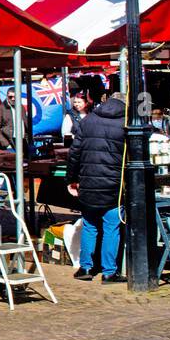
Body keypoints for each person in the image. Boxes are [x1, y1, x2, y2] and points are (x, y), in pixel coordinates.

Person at [68, 94, 126, 284]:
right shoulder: (125, 123)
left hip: (89, 183)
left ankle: (85, 268)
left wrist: (72, 179)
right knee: (111, 227)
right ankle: (109, 272)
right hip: (113, 185)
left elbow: (74, 153)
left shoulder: (88, 120)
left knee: (90, 225)